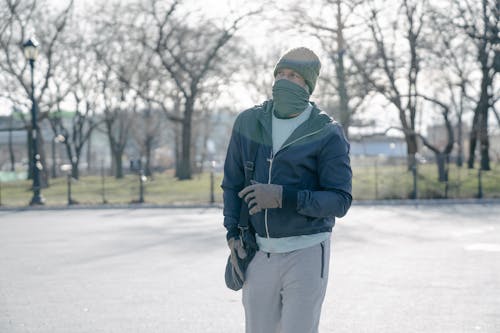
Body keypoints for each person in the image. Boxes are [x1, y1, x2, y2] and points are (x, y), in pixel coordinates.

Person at [221, 47, 352, 333]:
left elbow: (340, 200)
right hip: (258, 252)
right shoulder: (248, 122)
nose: (283, 80)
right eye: (280, 73)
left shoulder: (327, 132)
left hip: (307, 250)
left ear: (307, 85)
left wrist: (283, 197)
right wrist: (232, 231)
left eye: (292, 75)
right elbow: (231, 183)